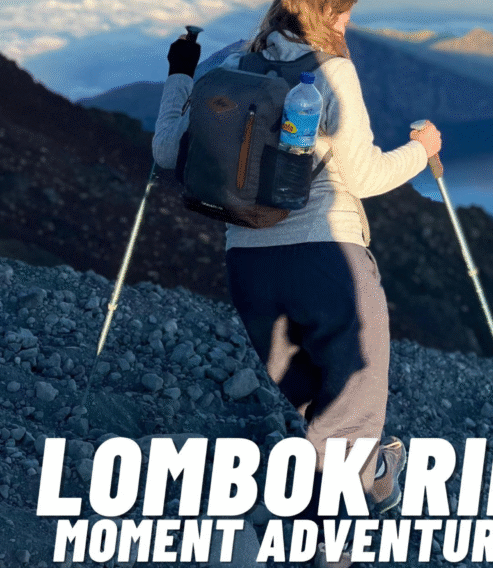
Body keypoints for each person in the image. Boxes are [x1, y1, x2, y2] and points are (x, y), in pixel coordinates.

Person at [152, 1, 441, 565]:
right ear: (328, 14)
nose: (348, 24)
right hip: (327, 262)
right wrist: (421, 151)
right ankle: (330, 545)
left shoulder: (228, 66)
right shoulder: (331, 70)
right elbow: (364, 175)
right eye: (346, 12)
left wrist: (179, 73)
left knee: (322, 408)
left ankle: (373, 477)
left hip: (249, 270)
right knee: (351, 413)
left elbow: (167, 151)